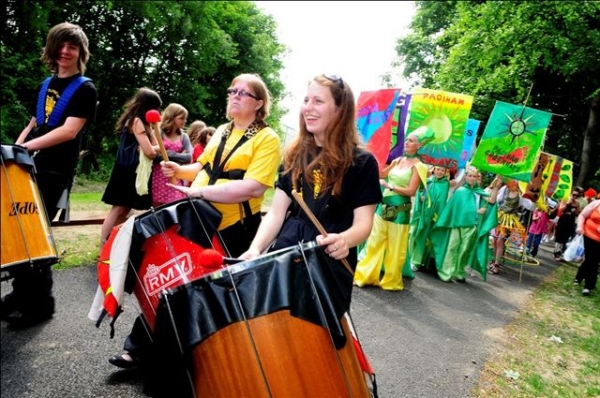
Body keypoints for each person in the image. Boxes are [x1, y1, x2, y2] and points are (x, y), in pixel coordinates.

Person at [108, 73, 281, 369]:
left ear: (259, 104)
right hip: (200, 219)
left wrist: (198, 190)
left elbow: (252, 187)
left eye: (243, 93)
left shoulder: (267, 138)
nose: (235, 96)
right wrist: (179, 168)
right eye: (232, 91)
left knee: (225, 296)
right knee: (177, 283)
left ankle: (219, 362)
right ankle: (141, 349)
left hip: (234, 229)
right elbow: (203, 167)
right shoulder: (224, 131)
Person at [1, 22, 97, 330]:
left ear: (81, 52)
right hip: (27, 168)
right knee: (20, 234)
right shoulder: (45, 84)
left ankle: (42, 305)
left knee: (36, 237)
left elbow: (69, 131)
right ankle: (19, 295)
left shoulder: (84, 88)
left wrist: (26, 148)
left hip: (54, 172)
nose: (66, 52)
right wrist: (15, 150)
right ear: (52, 49)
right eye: (61, 45)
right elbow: (33, 122)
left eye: (73, 47)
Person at [240, 74, 382, 273]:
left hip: (329, 265)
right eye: (306, 100)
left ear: (340, 110)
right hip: (287, 254)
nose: (308, 107)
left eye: (318, 101)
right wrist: (255, 249)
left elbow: (364, 223)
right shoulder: (294, 155)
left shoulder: (362, 162)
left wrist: (344, 240)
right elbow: (276, 213)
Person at [353, 126, 431, 291]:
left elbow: (411, 191)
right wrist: (374, 156)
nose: (406, 142)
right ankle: (365, 276)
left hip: (400, 211)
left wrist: (391, 186)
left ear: (419, 145)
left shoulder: (419, 166)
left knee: (395, 247)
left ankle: (391, 280)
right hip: (383, 207)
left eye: (411, 140)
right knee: (374, 243)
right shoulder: (398, 160)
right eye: (407, 139)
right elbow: (381, 174)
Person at [100, 88, 162, 244]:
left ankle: (112, 244)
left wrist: (152, 148)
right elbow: (151, 151)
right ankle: (103, 245)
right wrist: (152, 148)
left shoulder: (147, 124)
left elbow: (157, 147)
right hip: (127, 171)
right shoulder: (136, 121)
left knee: (125, 210)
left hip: (134, 172)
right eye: (155, 107)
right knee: (118, 209)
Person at [430, 169, 501, 282]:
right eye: (470, 176)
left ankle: (459, 272)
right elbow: (454, 209)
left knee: (465, 249)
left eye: (475, 176)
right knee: (452, 247)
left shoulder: (479, 191)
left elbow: (491, 201)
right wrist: (477, 211)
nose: (472, 178)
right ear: (466, 177)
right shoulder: (460, 191)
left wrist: (497, 187)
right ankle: (446, 272)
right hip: (457, 224)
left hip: (471, 225)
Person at [409, 165, 464, 272]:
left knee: (430, 239)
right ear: (434, 169)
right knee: (418, 236)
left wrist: (464, 170)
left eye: (442, 170)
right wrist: (421, 197)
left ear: (446, 172)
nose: (439, 172)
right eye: (438, 169)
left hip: (436, 217)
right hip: (424, 214)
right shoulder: (428, 181)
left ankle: (423, 262)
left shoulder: (446, 184)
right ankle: (413, 259)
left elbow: (456, 183)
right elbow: (420, 191)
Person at [150, 103, 192, 207]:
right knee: (157, 211)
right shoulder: (158, 133)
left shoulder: (184, 137)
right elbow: (154, 156)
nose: (185, 121)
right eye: (182, 118)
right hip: (157, 178)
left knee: (175, 207)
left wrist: (167, 153)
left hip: (176, 177)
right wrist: (178, 156)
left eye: (185, 118)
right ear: (172, 117)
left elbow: (189, 157)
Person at [488, 178, 533, 275]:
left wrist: (534, 197)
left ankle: (496, 264)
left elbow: (531, 206)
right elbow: (496, 199)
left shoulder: (521, 194)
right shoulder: (504, 189)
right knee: (495, 240)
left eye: (512, 182)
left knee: (500, 240)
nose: (509, 183)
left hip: (509, 221)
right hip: (499, 217)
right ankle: (494, 260)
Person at [574, 199, 600, 296]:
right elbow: (582, 215)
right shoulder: (596, 203)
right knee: (592, 260)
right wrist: (580, 227)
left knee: (592, 260)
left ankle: (579, 277)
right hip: (589, 235)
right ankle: (588, 286)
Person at [553, 190, 582, 261]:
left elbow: (578, 213)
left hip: (570, 221)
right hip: (563, 220)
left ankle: (561, 252)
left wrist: (575, 211)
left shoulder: (577, 203)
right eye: (574, 195)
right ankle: (557, 253)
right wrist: (568, 204)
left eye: (577, 195)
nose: (575, 197)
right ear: (571, 194)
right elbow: (560, 209)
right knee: (560, 237)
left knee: (565, 238)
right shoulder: (565, 200)